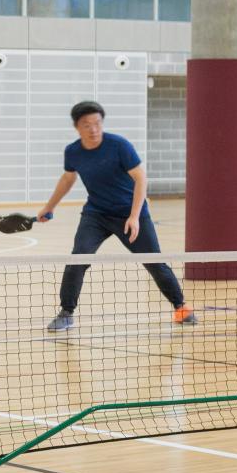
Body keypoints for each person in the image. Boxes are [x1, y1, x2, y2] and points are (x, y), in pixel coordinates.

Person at [40, 101, 196, 333]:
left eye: (97, 123)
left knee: (154, 261)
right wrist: (49, 207)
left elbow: (140, 179)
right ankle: (66, 313)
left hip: (130, 213)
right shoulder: (73, 151)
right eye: (87, 125)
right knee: (78, 258)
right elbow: (68, 179)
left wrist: (134, 217)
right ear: (77, 127)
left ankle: (181, 307)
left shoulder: (119, 146)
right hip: (96, 214)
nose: (93, 129)